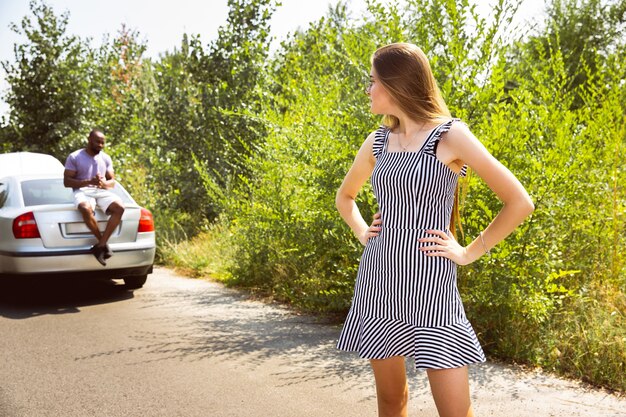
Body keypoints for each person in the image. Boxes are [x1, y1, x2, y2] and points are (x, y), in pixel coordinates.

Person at [335, 43, 534, 417]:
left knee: (455, 413)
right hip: (378, 282)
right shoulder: (378, 140)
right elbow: (345, 197)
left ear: (395, 85)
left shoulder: (450, 135)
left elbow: (519, 202)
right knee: (391, 402)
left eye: (373, 81)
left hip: (433, 286)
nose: (368, 89)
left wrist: (467, 252)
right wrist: (364, 232)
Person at [63, 129, 125, 266]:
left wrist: (103, 183)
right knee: (85, 208)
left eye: (103, 143)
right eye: (98, 142)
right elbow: (67, 182)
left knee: (119, 208)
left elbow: (112, 182)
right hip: (82, 190)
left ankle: (100, 245)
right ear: (89, 140)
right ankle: (103, 244)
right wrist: (88, 182)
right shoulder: (75, 157)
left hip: (100, 190)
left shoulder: (106, 158)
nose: (100, 145)